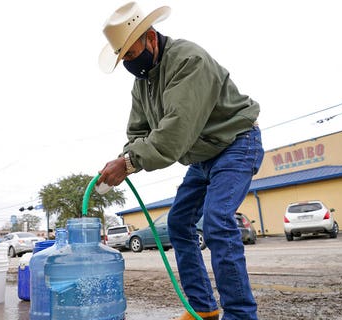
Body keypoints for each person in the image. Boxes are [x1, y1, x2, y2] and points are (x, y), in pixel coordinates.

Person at [96, 3, 264, 320]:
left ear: (150, 37)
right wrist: (125, 157)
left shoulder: (189, 61)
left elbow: (174, 135)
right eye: (124, 60)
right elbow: (137, 131)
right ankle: (203, 307)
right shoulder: (142, 83)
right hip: (202, 158)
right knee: (178, 224)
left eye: (131, 54)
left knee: (216, 221)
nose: (130, 64)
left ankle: (241, 315)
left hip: (236, 144)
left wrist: (129, 163)